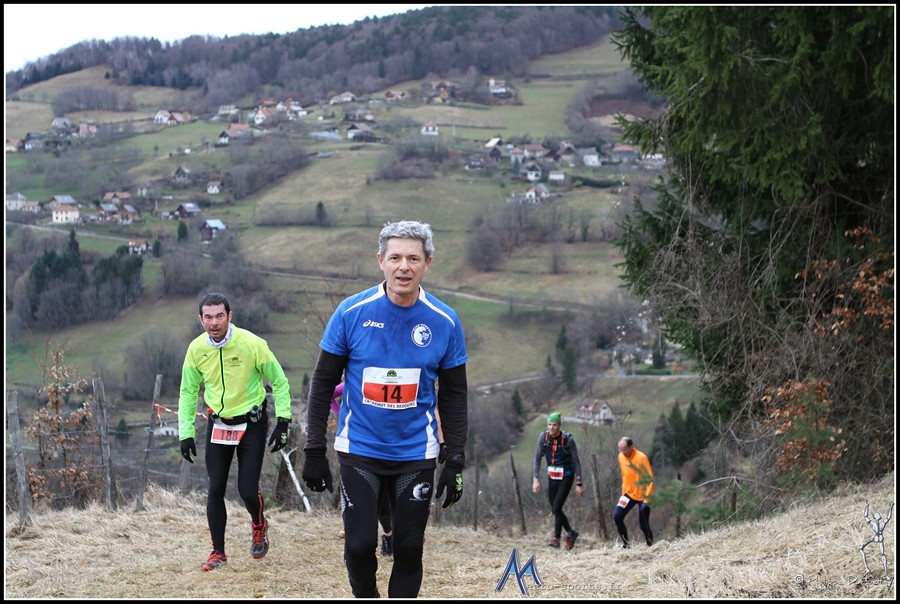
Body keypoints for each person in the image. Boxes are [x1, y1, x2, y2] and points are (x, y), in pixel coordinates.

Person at [302, 220, 468, 598]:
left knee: (408, 549)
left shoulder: (444, 321)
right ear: (381, 261)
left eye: (413, 258)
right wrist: (313, 449)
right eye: (395, 258)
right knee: (360, 546)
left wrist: (455, 459)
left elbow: (455, 394)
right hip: (360, 449)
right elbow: (323, 382)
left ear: (427, 263)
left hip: (415, 454)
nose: (403, 267)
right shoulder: (351, 312)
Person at [178, 292, 292, 572]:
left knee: (247, 490)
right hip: (218, 425)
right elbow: (188, 392)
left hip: (251, 424)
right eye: (208, 317)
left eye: (220, 316)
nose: (214, 323)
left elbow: (279, 381)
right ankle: (218, 552)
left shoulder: (252, 344)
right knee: (215, 488)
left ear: (230, 316)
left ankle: (259, 525)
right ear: (201, 319)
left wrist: (283, 421)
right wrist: (185, 433)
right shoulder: (196, 349)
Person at [332, 382, 393, 554]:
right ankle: (351, 526)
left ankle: (389, 535)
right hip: (357, 444)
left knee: (384, 499)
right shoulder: (349, 384)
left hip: (389, 445)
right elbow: (329, 394)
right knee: (355, 489)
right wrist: (341, 414)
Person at [532, 412, 583, 550]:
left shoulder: (568, 439)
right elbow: (537, 458)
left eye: (554, 425)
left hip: (566, 476)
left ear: (560, 425)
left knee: (556, 507)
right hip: (552, 476)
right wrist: (535, 479)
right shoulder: (543, 437)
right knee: (556, 509)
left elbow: (577, 461)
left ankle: (556, 539)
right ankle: (570, 533)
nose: (551, 428)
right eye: (549, 424)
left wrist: (579, 483)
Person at [614, 436, 654, 548]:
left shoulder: (641, 458)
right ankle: (626, 544)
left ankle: (650, 546)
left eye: (625, 450)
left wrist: (647, 499)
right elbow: (624, 475)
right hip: (629, 494)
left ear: (632, 447)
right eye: (620, 450)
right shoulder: (621, 457)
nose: (623, 452)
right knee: (617, 517)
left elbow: (650, 479)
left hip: (643, 495)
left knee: (643, 525)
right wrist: (623, 493)